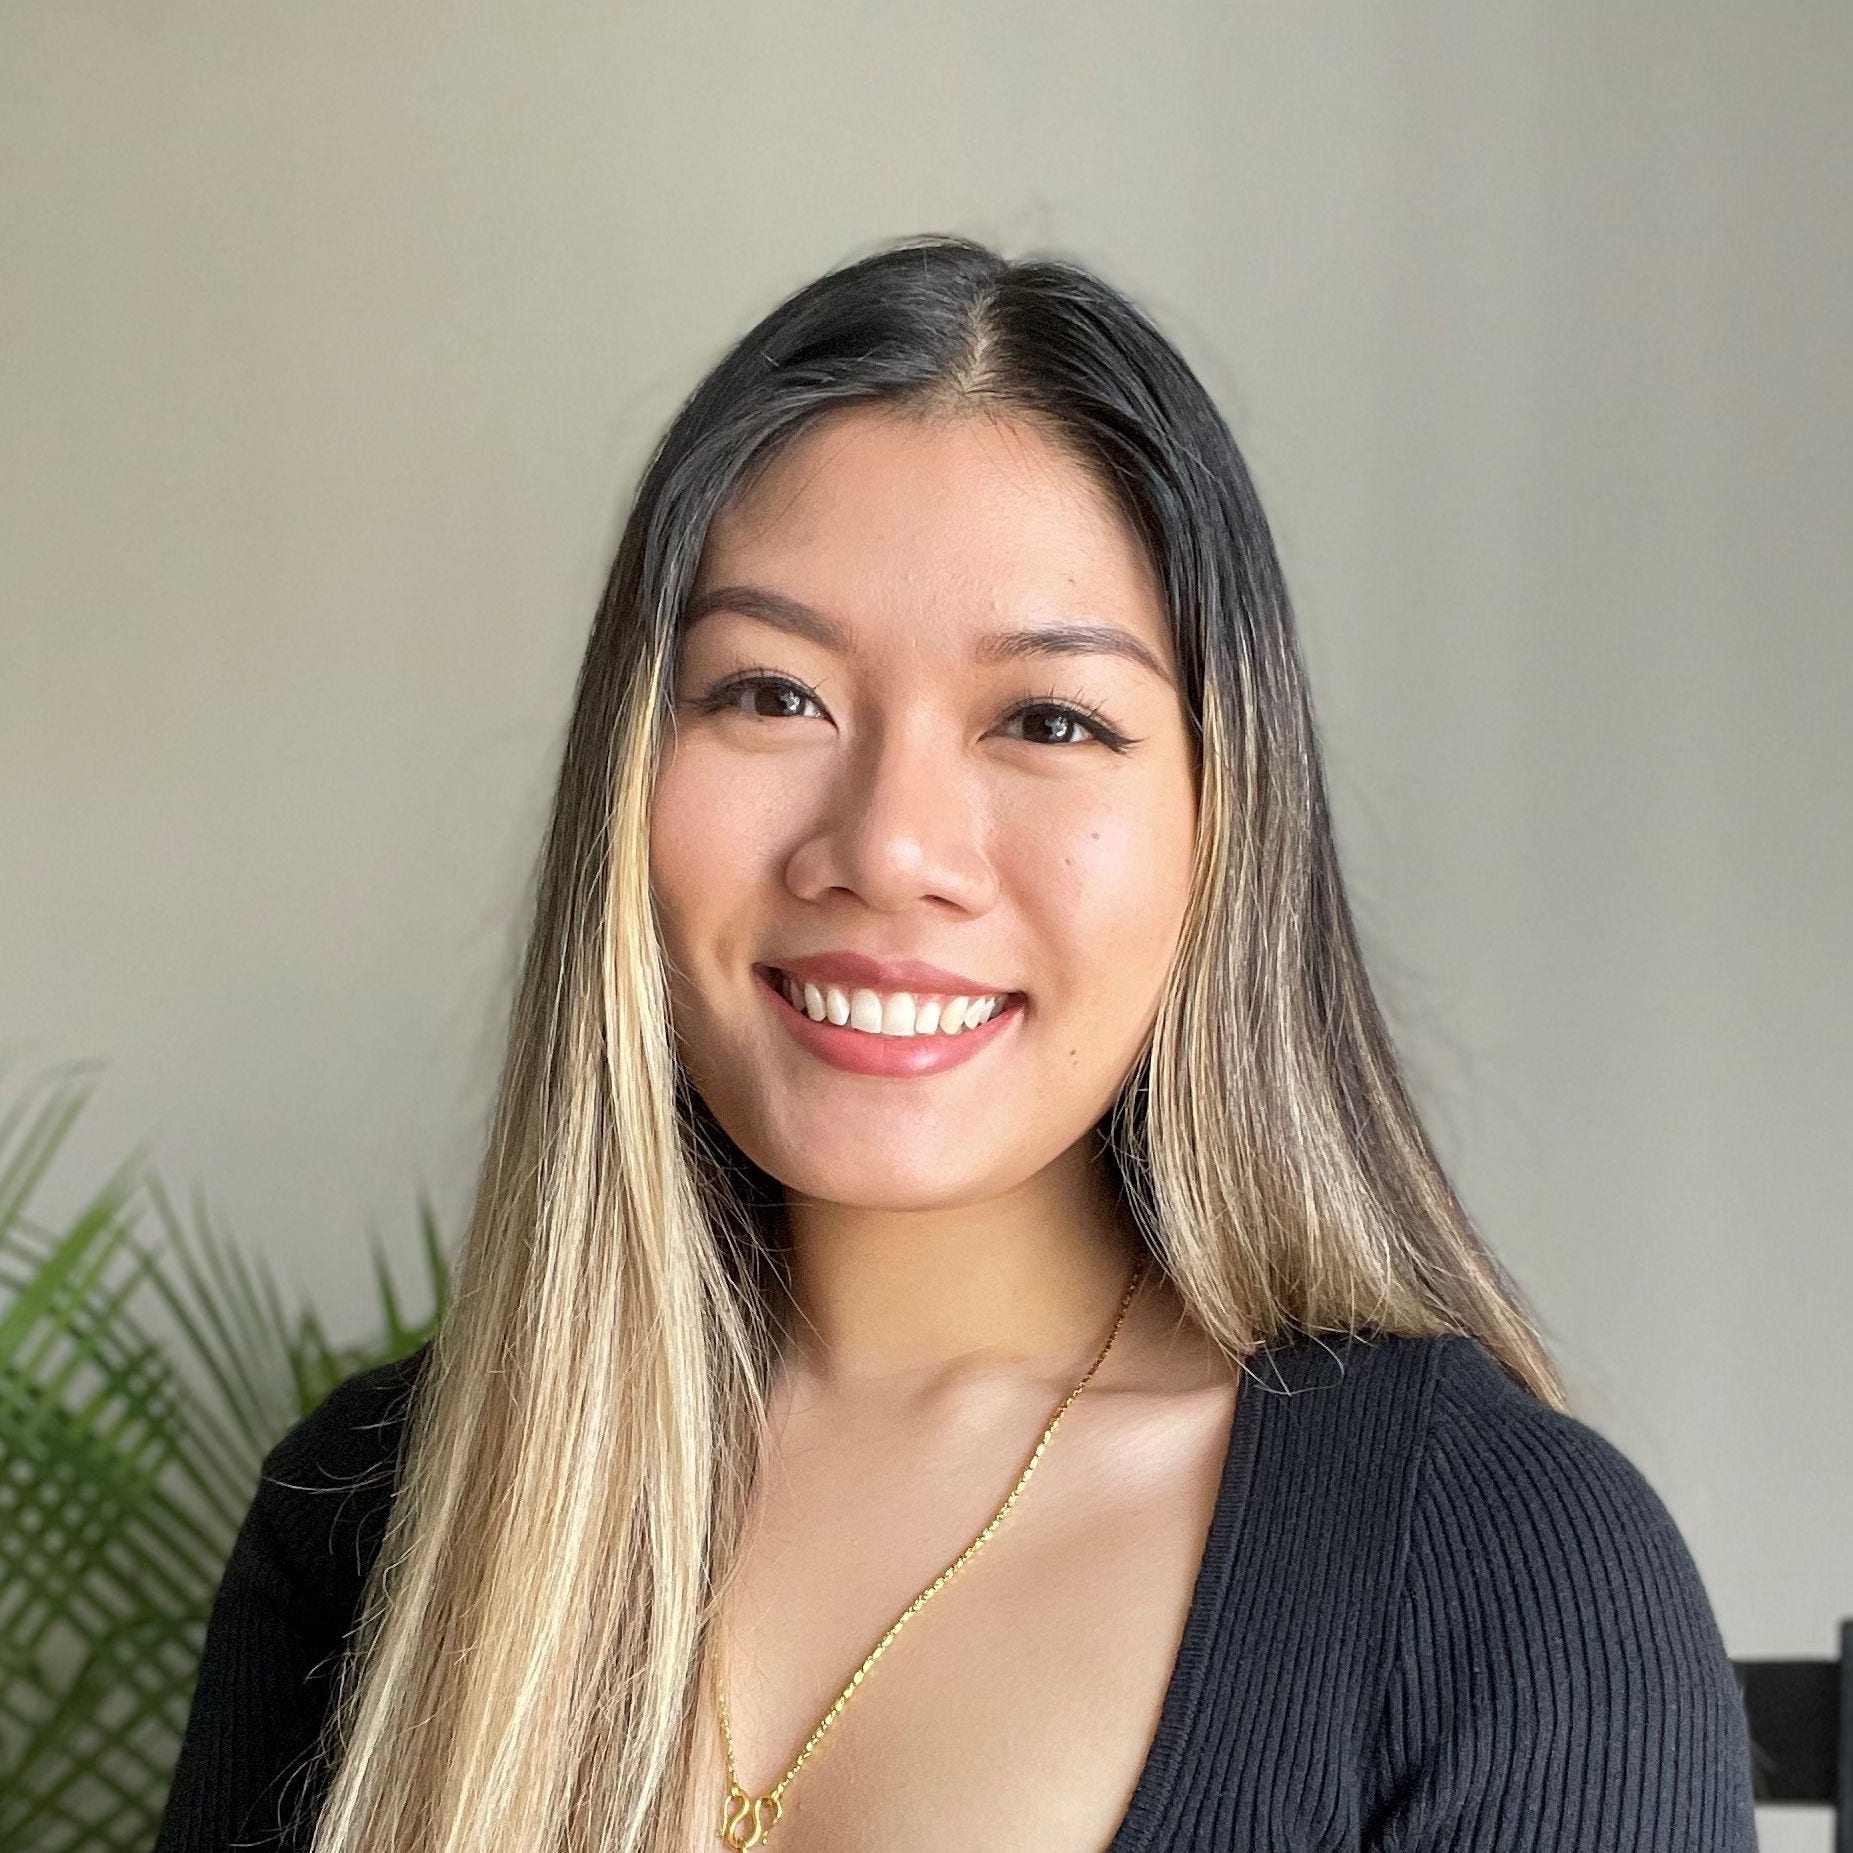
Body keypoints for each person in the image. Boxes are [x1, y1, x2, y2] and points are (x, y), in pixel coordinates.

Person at [152, 233, 1757, 1853]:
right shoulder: (368, 1520)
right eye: (771, 695)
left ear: (1222, 826)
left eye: (1047, 721)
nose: (888, 844)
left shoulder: (1502, 1572)